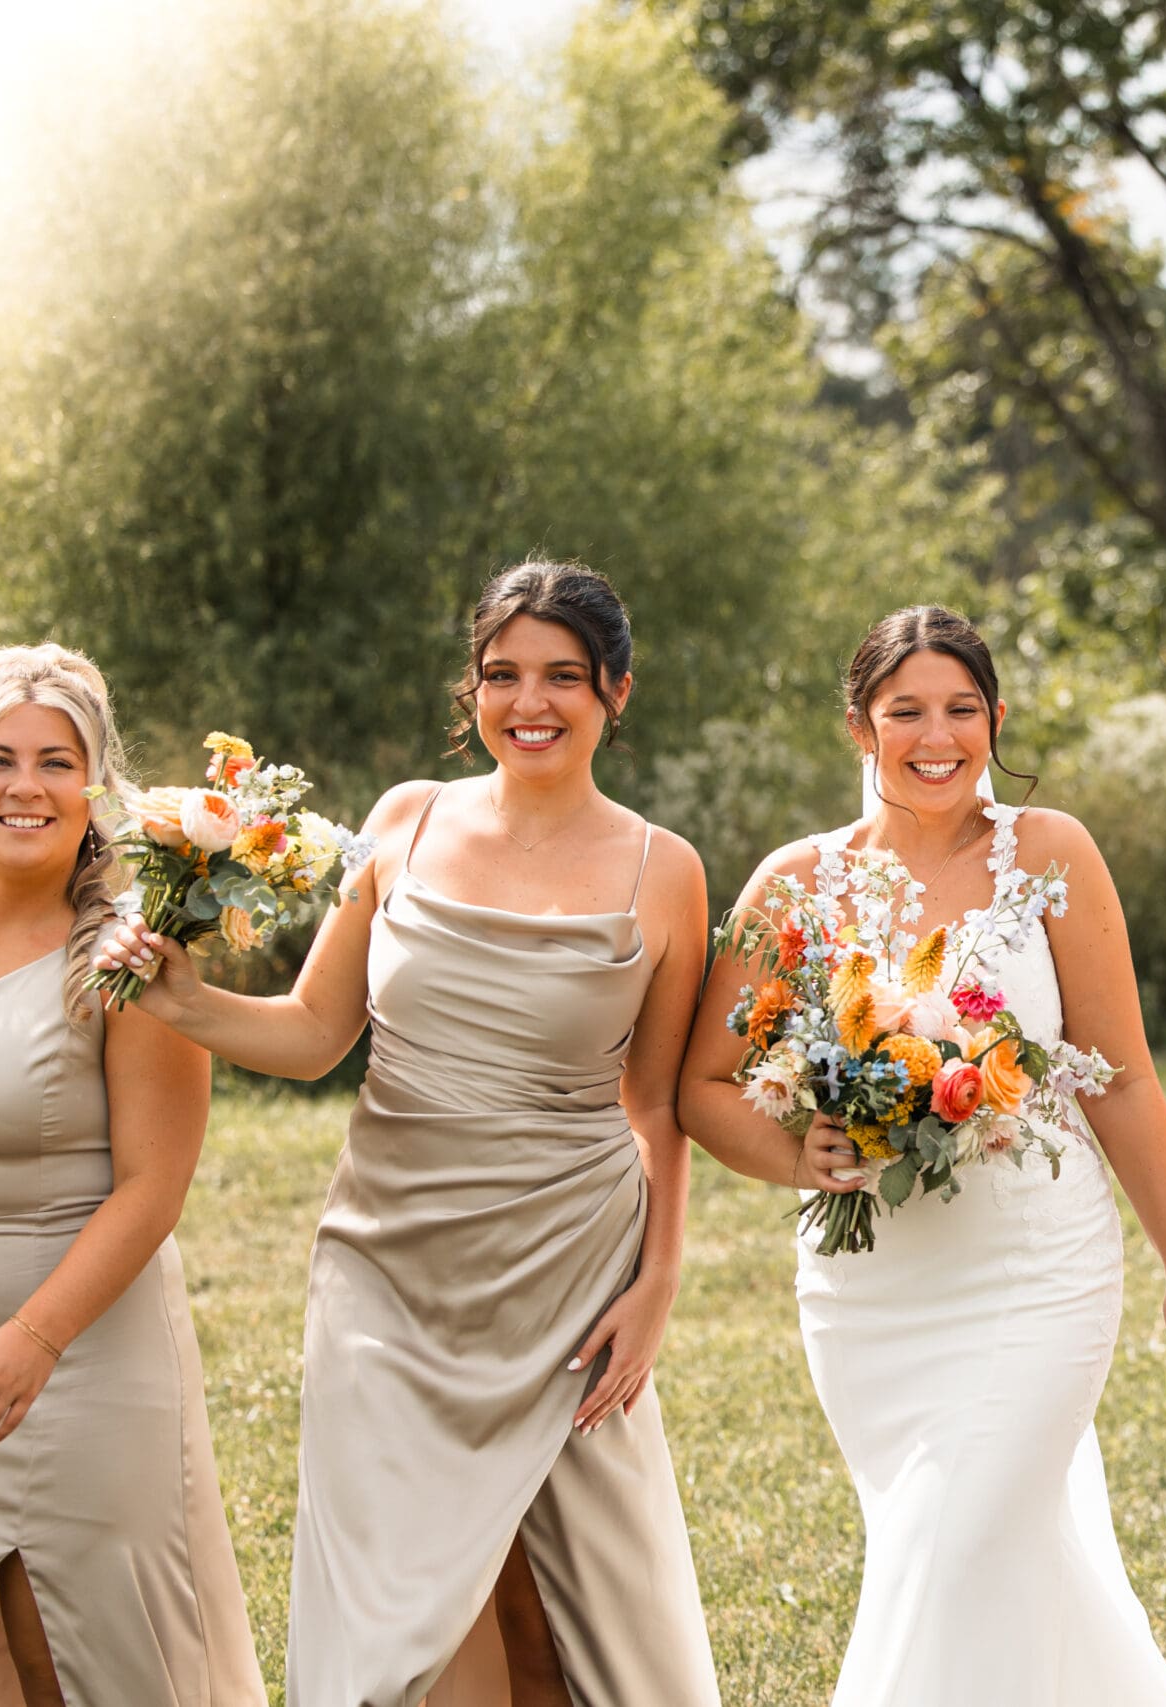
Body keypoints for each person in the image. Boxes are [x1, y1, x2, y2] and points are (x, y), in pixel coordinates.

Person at [96, 563, 720, 1706]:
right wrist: (185, 1000)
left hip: (568, 1276)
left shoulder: (663, 870)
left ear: (617, 692)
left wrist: (659, 1282)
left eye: (562, 678)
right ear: (470, 690)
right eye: (501, 675)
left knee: (600, 1594)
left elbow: (657, 1104)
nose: (528, 703)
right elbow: (314, 1030)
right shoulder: (402, 820)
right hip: (386, 1260)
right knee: (386, 1603)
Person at [678, 604, 1166, 1707]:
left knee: (958, 1541)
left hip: (1038, 1269)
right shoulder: (793, 883)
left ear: (995, 718)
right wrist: (806, 1153)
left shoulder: (1050, 853)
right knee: (976, 1551)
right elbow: (700, 1086)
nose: (937, 737)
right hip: (874, 1290)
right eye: (906, 711)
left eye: (961, 709)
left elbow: (1118, 1076)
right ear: (859, 726)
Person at [0, 643, 264, 1704]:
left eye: (55, 761)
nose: (24, 785)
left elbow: (153, 1188)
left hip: (86, 1364)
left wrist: (35, 1340)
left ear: (92, 789)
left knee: (101, 1669)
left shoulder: (128, 956)